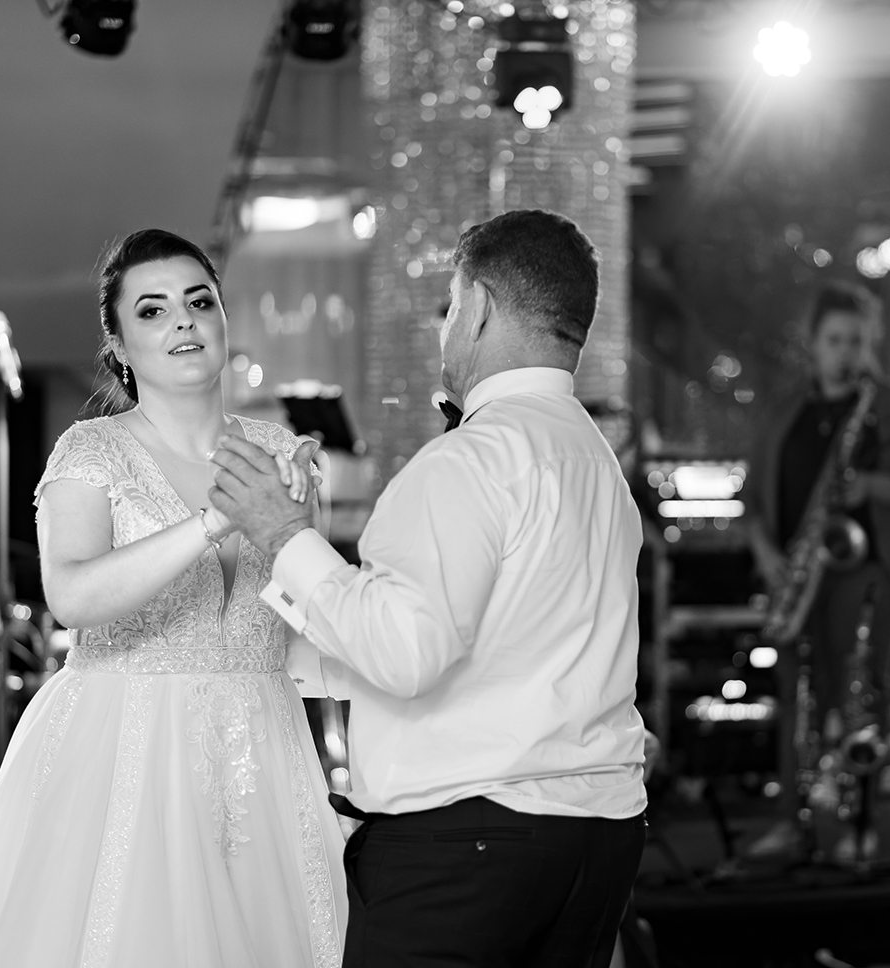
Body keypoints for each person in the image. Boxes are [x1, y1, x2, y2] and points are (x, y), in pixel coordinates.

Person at [210, 209, 648, 968]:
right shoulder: (594, 459)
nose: (447, 327)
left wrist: (284, 536)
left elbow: (405, 653)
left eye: (450, 306)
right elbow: (500, 645)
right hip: (596, 838)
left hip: (471, 845)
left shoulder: (470, 460)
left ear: (476, 306)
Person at [0, 229, 346, 968]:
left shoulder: (280, 449)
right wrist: (214, 520)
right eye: (152, 310)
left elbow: (297, 617)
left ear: (224, 320)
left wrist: (305, 534)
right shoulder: (91, 449)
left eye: (200, 302)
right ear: (119, 346)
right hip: (125, 741)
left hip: (262, 744)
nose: (183, 320)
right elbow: (71, 594)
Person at [744, 282, 890, 857]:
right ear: (812, 343)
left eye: (855, 340)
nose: (845, 352)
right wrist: (766, 553)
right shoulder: (787, 411)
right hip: (800, 574)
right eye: (834, 340)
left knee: (861, 695)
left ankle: (860, 826)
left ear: (870, 342)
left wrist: (872, 486)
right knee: (800, 697)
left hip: (869, 571)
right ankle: (795, 822)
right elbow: (754, 497)